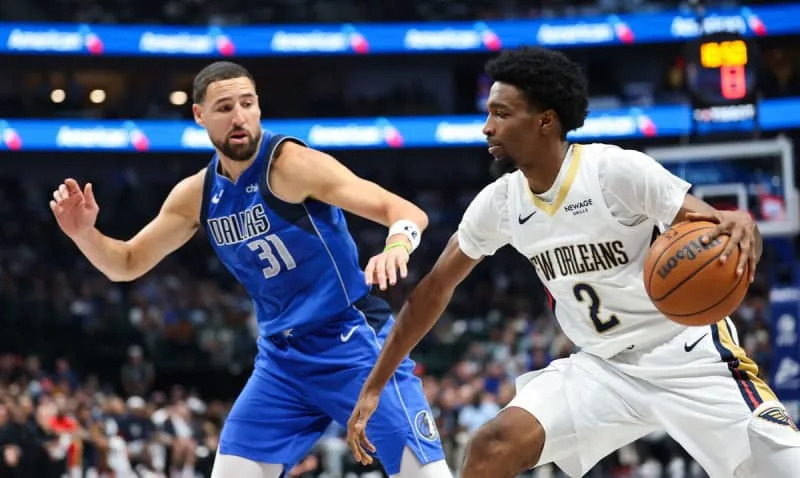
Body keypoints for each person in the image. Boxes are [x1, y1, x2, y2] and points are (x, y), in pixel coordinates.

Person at [347, 47, 800, 478]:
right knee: (492, 446)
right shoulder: (501, 203)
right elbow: (433, 290)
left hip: (687, 355)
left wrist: (744, 226)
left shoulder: (614, 172)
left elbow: (720, 228)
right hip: (602, 366)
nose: (487, 127)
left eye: (501, 113)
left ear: (545, 121)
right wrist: (374, 384)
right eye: (488, 113)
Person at [50, 61, 452, 478]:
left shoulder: (291, 165)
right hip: (282, 360)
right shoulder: (197, 195)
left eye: (248, 103)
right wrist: (84, 235)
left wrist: (397, 244)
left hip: (351, 342)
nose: (239, 116)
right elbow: (127, 264)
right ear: (199, 116)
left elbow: (403, 210)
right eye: (224, 107)